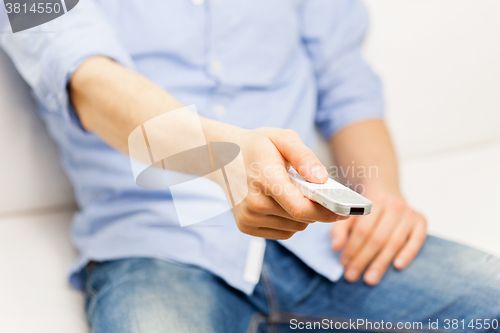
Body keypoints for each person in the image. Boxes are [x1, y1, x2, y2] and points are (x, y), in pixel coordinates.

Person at [1, 1, 499, 332]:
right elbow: (88, 81)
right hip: (156, 252)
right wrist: (226, 161)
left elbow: (346, 84)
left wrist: (384, 195)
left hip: (327, 244)